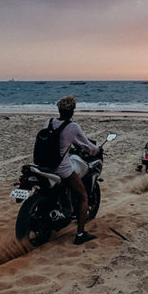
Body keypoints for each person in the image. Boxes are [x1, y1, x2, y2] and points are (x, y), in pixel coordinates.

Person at [42, 95, 102, 244]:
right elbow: (87, 147)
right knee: (83, 196)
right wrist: (98, 149)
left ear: (59, 109)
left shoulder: (49, 122)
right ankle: (80, 235)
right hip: (61, 168)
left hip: (44, 165)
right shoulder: (73, 127)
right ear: (73, 111)